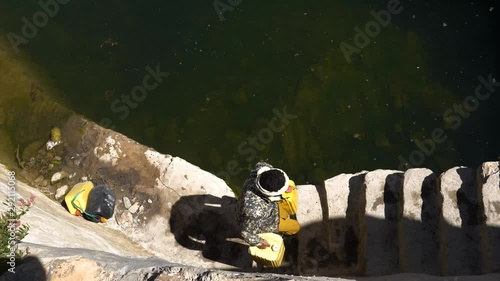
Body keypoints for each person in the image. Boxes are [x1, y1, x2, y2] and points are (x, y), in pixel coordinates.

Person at [236, 161, 300, 249]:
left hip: (256, 207)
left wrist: (285, 187)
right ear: (270, 194)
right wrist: (260, 242)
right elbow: (245, 233)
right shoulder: (256, 212)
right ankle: (281, 235)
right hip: (263, 221)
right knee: (295, 227)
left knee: (285, 210)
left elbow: (260, 164)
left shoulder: (260, 168)